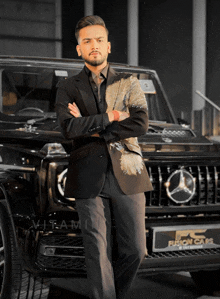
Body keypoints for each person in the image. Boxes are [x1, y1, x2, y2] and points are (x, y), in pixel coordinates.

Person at [56, 15, 153, 299]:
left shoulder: (129, 83)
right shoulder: (67, 86)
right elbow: (68, 128)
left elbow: (141, 123)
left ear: (108, 46)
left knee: (136, 249)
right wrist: (110, 116)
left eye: (99, 40)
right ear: (79, 49)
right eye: (87, 41)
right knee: (97, 251)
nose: (93, 45)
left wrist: (94, 128)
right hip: (87, 175)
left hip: (128, 171)